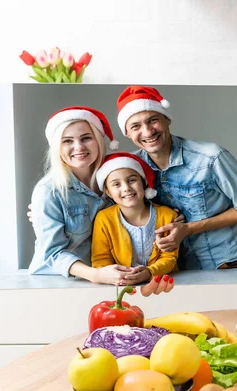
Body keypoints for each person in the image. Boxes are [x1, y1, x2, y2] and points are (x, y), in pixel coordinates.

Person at [115, 85, 237, 270]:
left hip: (225, 263)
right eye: (136, 126)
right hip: (171, 268)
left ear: (166, 120)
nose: (147, 132)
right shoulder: (131, 168)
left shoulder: (211, 157)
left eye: (153, 120)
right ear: (127, 133)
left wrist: (189, 229)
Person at [27, 106, 175, 295]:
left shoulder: (115, 178)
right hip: (55, 283)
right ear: (57, 147)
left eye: (86, 138)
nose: (79, 147)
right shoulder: (48, 191)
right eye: (67, 141)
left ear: (98, 140)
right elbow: (52, 253)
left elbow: (145, 207)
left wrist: (174, 220)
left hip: (105, 280)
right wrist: (96, 275)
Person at [91, 152, 180, 286]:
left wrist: (150, 272)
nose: (126, 188)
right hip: (119, 286)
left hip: (162, 284)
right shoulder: (104, 218)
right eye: (116, 184)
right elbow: (100, 259)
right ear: (108, 192)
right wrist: (117, 277)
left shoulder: (167, 216)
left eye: (132, 180)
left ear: (143, 183)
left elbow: (169, 257)